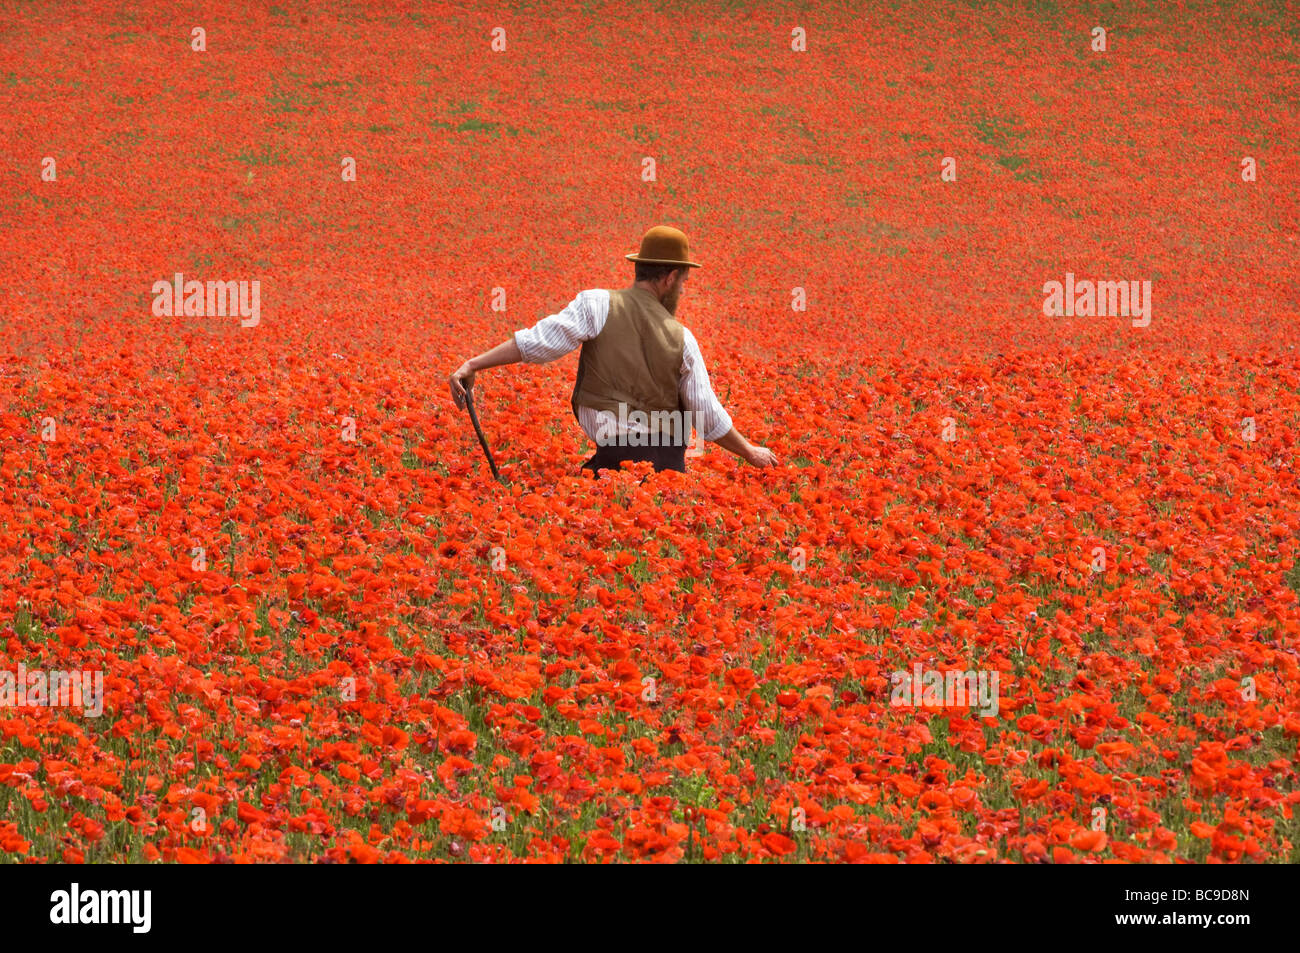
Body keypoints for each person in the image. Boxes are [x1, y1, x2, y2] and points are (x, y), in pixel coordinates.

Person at [449, 225, 779, 476]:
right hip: (667, 468)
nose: (682, 289)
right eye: (683, 283)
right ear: (670, 278)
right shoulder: (683, 339)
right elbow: (706, 415)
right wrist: (750, 452)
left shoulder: (597, 305)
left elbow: (538, 342)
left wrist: (473, 364)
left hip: (613, 460)